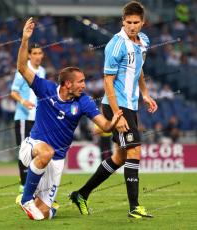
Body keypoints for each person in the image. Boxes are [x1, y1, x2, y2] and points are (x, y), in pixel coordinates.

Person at [17, 17, 123, 220]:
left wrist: (112, 123)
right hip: (34, 146)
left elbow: (103, 125)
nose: (84, 85)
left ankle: (47, 207)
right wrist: (25, 39)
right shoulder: (45, 88)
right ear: (67, 84)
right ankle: (25, 199)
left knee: (41, 215)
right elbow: (22, 67)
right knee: (46, 151)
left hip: (57, 161)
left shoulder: (84, 102)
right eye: (81, 82)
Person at [70, 1, 158, 219]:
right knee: (134, 151)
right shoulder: (115, 45)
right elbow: (108, 82)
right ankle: (134, 206)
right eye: (128, 22)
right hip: (116, 106)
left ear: (142, 22)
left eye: (136, 22)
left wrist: (145, 95)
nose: (132, 26)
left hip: (130, 105)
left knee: (119, 156)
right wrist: (117, 115)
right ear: (123, 22)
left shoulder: (144, 41)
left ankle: (81, 194)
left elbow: (138, 70)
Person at [11, 43, 46, 193]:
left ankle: (33, 181)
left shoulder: (42, 71)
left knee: (36, 150)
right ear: (29, 55)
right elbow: (13, 92)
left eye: (40, 53)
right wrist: (23, 101)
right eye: (35, 53)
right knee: (24, 150)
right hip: (24, 117)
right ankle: (23, 183)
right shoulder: (22, 71)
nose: (38, 56)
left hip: (38, 118)